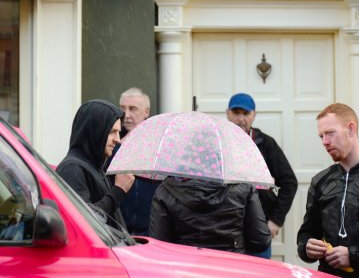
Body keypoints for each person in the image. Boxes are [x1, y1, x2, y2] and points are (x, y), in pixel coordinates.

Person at [297, 103, 359, 277]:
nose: (324, 142)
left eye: (330, 133)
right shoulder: (320, 181)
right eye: (321, 136)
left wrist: (353, 256)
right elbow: (306, 234)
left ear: (351, 129)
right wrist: (307, 247)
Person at [226, 92, 298, 258]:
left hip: (257, 230)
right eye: (236, 113)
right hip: (224, 229)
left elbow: (289, 182)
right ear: (228, 113)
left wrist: (276, 220)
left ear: (254, 115)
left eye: (246, 113)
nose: (241, 118)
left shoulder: (266, 144)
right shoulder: (219, 142)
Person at [56, 99, 135, 230]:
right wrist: (118, 190)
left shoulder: (96, 166)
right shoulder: (72, 169)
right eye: (111, 132)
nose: (118, 140)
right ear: (94, 131)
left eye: (118, 132)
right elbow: (85, 222)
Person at [149, 176, 271, 254]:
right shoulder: (244, 186)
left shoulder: (165, 190)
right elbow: (260, 241)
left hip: (186, 269)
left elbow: (159, 247)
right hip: (231, 268)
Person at [108, 87, 161, 236]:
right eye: (123, 109)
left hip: (151, 226)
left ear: (146, 112)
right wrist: (120, 147)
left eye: (133, 109)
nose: (127, 115)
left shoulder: (159, 141)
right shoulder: (113, 139)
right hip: (119, 226)